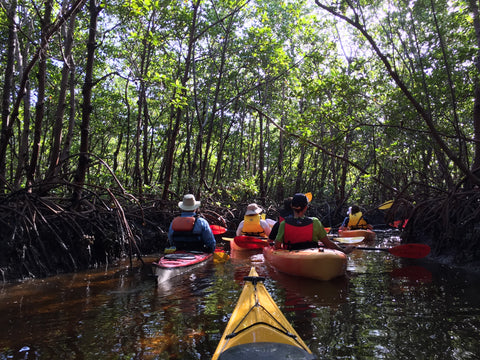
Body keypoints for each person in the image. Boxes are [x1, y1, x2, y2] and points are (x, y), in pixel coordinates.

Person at [274, 193, 354, 254]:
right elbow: (329, 244)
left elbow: (277, 246)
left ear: (292, 206)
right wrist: (344, 251)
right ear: (306, 207)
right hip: (312, 255)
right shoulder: (315, 222)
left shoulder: (284, 224)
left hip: (292, 257)